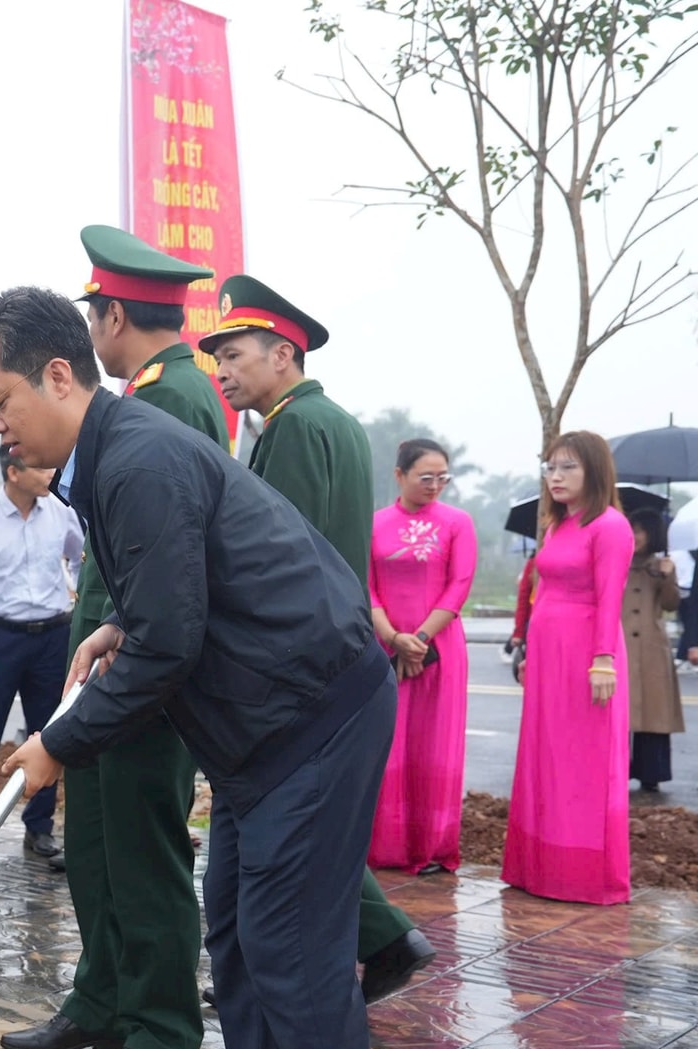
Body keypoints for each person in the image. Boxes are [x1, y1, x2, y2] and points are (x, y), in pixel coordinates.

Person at [0, 286, 393, 1049]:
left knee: (291, 945)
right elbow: (169, 603)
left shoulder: (138, 456)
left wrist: (54, 748)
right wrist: (119, 622)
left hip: (312, 712)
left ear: (59, 375)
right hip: (254, 730)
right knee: (235, 931)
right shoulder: (110, 454)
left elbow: (170, 649)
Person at [0, 226, 225, 1049]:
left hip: (145, 663)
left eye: (93, 312)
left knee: (141, 841)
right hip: (109, 643)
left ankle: (163, 1028)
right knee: (94, 836)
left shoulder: (168, 402)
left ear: (113, 315)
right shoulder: (153, 394)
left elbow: (164, 563)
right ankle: (100, 998)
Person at [203, 275, 433, 1003]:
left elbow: (276, 551)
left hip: (297, 654)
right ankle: (380, 940)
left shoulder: (296, 428)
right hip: (333, 642)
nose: (224, 372)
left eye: (235, 355)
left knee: (290, 826)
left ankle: (367, 946)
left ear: (282, 354)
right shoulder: (331, 419)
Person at [504, 433, 633, 902]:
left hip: (586, 657)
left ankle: (581, 873)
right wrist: (528, 655)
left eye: (567, 468)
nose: (555, 477)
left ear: (594, 472)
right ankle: (539, 868)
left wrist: (604, 661)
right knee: (548, 757)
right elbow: (544, 595)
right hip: (547, 656)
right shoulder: (558, 525)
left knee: (583, 761)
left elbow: (610, 598)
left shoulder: (609, 526)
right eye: (550, 468)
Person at [0, 443, 81, 865]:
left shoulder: (61, 512)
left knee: (47, 732)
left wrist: (77, 605)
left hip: (52, 636)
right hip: (1, 638)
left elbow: (82, 556)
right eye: (40, 467)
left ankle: (40, 825)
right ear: (13, 473)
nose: (50, 473)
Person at [368, 440, 477, 873]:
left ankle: (431, 846)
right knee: (386, 743)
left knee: (434, 744)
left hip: (440, 647)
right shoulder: (375, 523)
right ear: (399, 476)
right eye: (425, 477)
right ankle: (384, 845)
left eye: (442, 478)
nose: (435, 486)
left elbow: (460, 583)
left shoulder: (457, 523)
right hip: (383, 646)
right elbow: (367, 585)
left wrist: (420, 639)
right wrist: (394, 638)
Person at [624, 509, 684, 794]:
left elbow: (672, 605)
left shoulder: (661, 565)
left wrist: (669, 576)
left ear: (652, 533)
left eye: (640, 530)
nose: (635, 537)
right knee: (618, 714)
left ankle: (652, 773)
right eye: (631, 530)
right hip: (620, 645)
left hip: (651, 649)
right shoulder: (617, 561)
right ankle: (616, 769)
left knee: (653, 714)